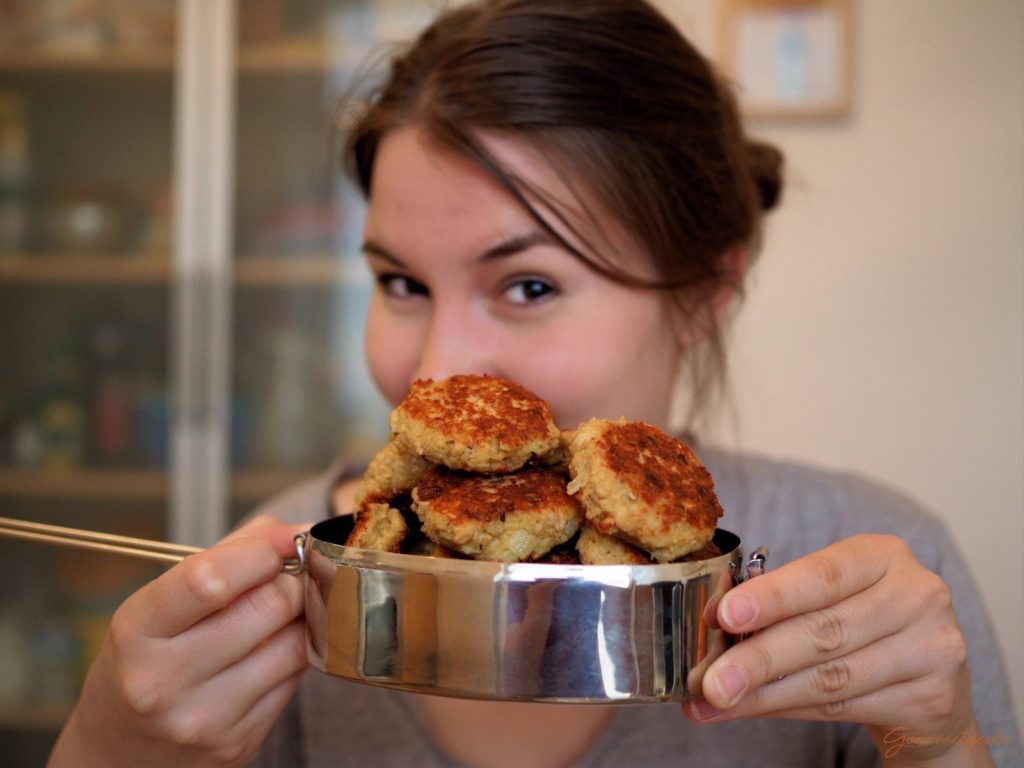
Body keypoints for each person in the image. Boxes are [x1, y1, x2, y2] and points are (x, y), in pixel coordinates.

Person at [49, 1, 1020, 766]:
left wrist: (936, 748)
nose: (430, 375)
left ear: (704, 293)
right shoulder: (284, 592)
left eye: (528, 284)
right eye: (399, 282)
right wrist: (107, 750)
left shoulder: (866, 580)